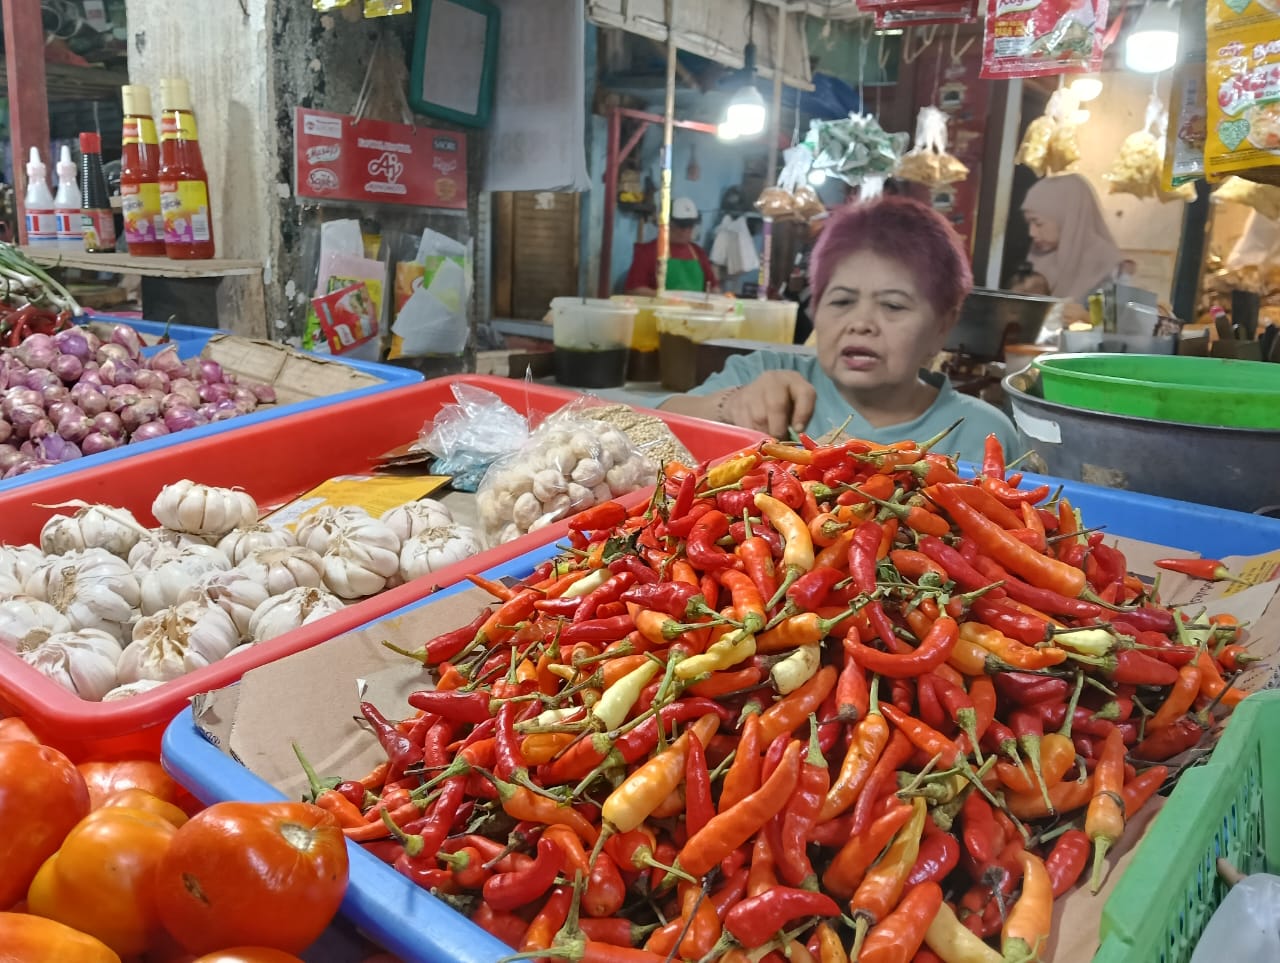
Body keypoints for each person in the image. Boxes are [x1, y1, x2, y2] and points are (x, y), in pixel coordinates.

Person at [659, 195, 1022, 463]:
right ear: (816, 310)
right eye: (842, 301)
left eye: (893, 306)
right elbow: (649, 422)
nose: (861, 324)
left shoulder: (982, 434)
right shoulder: (761, 374)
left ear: (943, 325)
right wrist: (729, 405)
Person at [1021, 173, 1122, 302]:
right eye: (1028, 223)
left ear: (1067, 219)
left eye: (1038, 223)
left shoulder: (1105, 263)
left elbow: (1110, 314)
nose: (1032, 233)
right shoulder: (1038, 255)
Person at [624, 197, 719, 296]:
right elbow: (633, 290)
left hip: (695, 306)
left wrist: (718, 299)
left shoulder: (699, 252)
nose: (686, 230)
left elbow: (713, 287)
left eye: (690, 225)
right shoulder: (648, 252)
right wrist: (666, 297)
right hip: (661, 306)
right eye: (682, 225)